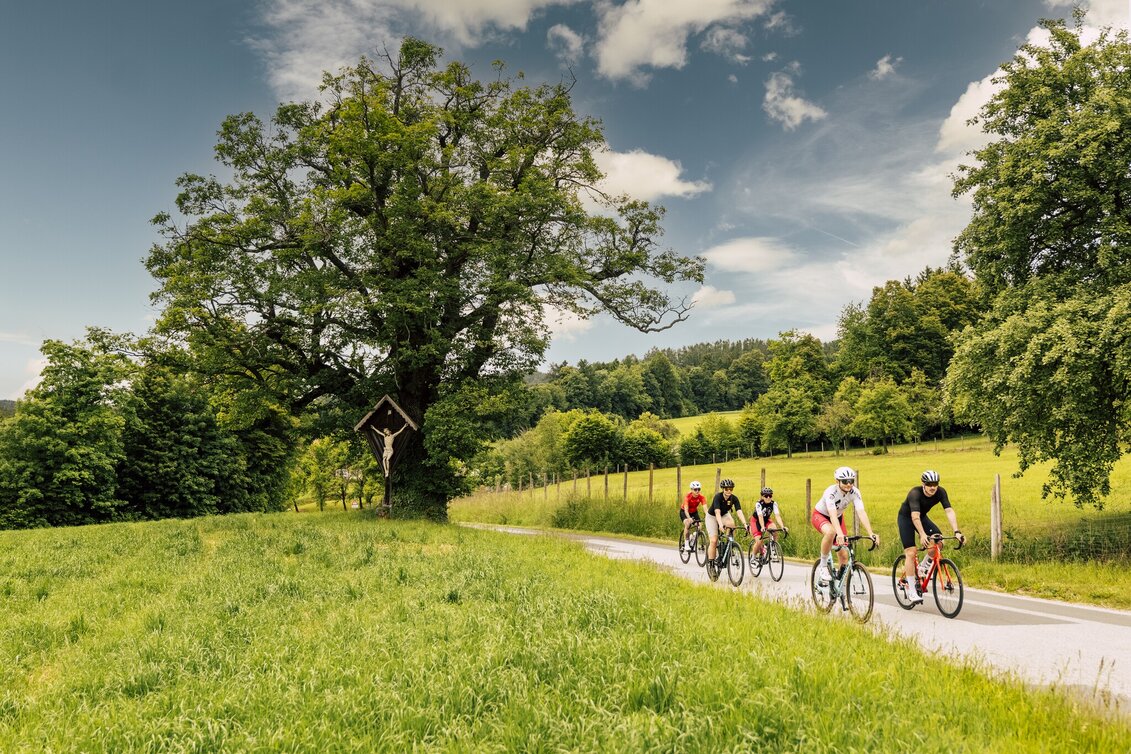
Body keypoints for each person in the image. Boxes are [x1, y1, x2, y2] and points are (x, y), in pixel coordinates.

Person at [897, 470, 966, 604]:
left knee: (938, 542)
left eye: (935, 484)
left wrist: (957, 531)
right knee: (911, 552)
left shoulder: (941, 492)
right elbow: (914, 517)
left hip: (921, 517)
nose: (933, 487)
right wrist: (922, 535)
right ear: (923, 484)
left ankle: (923, 567)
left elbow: (949, 511)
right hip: (907, 518)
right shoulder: (915, 493)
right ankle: (911, 590)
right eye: (929, 484)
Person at [810, 466, 878, 586]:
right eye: (845, 481)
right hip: (821, 515)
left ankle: (839, 586)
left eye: (851, 481)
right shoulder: (830, 493)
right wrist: (839, 534)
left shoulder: (855, 492)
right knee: (831, 532)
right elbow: (832, 515)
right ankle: (823, 565)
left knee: (844, 555)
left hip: (838, 517)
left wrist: (871, 533)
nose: (849, 484)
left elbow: (861, 512)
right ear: (837, 481)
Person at [706, 478, 748, 566]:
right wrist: (720, 525)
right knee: (714, 541)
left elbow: (739, 511)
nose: (729, 491)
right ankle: (711, 563)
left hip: (724, 514)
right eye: (726, 489)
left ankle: (729, 544)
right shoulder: (718, 497)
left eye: (731, 489)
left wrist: (745, 524)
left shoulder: (734, 498)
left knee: (732, 525)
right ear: (723, 489)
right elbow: (717, 512)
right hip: (712, 516)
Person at [749, 486, 787, 559]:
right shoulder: (759, 504)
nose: (768, 497)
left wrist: (782, 526)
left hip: (766, 520)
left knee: (774, 530)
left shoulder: (774, 503)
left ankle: (772, 548)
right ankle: (753, 556)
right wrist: (762, 527)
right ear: (762, 496)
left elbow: (777, 515)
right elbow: (760, 516)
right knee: (759, 542)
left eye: (770, 495)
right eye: (766, 496)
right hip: (756, 521)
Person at [680, 480, 707, 551]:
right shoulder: (687, 497)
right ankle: (686, 544)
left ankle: (692, 538)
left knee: (700, 526)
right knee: (688, 524)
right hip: (684, 512)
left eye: (699, 489)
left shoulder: (701, 497)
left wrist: (708, 516)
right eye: (695, 489)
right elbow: (686, 510)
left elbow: (705, 509)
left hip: (694, 512)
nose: (697, 491)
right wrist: (689, 518)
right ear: (691, 490)